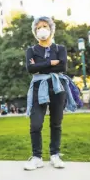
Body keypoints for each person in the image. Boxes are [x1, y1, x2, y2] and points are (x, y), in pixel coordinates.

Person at [24, 16, 76, 171]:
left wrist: (40, 66)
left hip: (57, 87)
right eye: (38, 27)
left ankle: (55, 155)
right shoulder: (31, 51)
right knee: (36, 124)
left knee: (56, 123)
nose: (42, 29)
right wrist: (50, 63)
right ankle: (37, 157)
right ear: (35, 31)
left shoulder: (60, 49)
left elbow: (62, 67)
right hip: (38, 87)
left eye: (45, 26)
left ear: (51, 29)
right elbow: (30, 69)